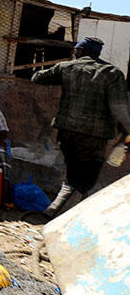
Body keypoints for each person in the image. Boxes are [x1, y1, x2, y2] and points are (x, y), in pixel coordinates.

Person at [32, 37, 130, 218]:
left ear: (81, 51)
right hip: (94, 136)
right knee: (85, 179)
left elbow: (37, 77)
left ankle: (63, 214)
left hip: (66, 132)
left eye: (76, 50)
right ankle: (54, 214)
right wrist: (128, 129)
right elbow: (118, 108)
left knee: (73, 175)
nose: (75, 53)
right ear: (97, 53)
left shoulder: (67, 67)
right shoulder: (112, 73)